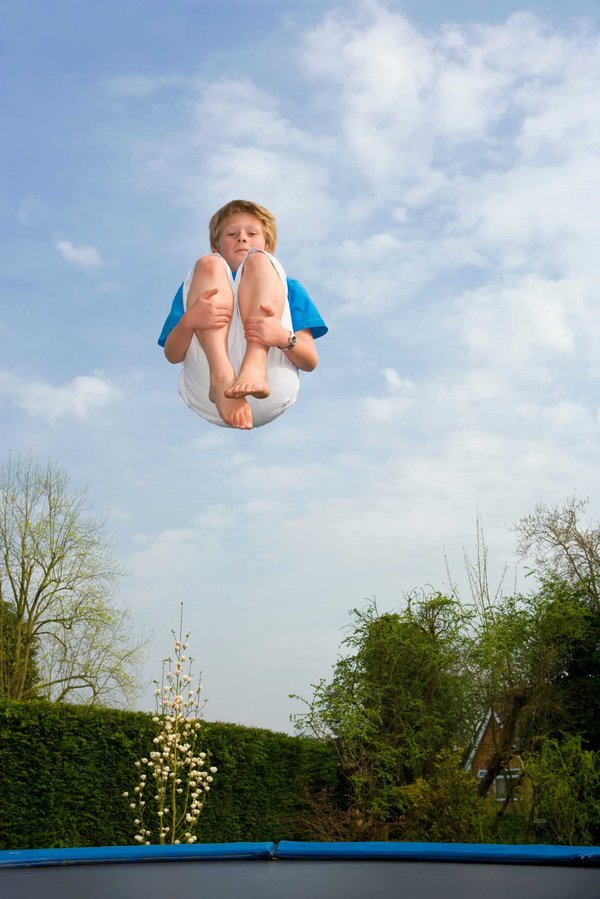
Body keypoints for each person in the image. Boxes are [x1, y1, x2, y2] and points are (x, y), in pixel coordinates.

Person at [158, 199, 328, 430]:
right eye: (231, 234)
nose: (242, 238)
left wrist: (283, 337)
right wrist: (189, 322)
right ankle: (221, 377)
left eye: (252, 233)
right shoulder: (197, 285)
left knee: (258, 262)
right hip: (209, 390)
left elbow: (309, 361)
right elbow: (173, 354)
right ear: (217, 247)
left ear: (269, 246)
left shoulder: (289, 288)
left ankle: (255, 364)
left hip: (271, 385)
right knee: (207, 265)